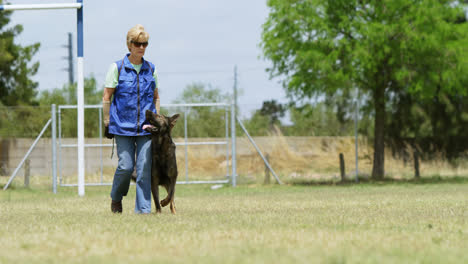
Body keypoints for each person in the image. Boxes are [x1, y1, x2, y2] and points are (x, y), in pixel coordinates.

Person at [102, 24, 160, 214]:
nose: (141, 47)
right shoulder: (117, 68)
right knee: (126, 167)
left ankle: (143, 210)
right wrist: (106, 122)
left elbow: (156, 97)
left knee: (144, 168)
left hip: (146, 127)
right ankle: (116, 198)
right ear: (129, 44)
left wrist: (157, 121)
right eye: (137, 43)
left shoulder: (151, 69)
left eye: (144, 44)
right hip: (122, 126)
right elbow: (106, 97)